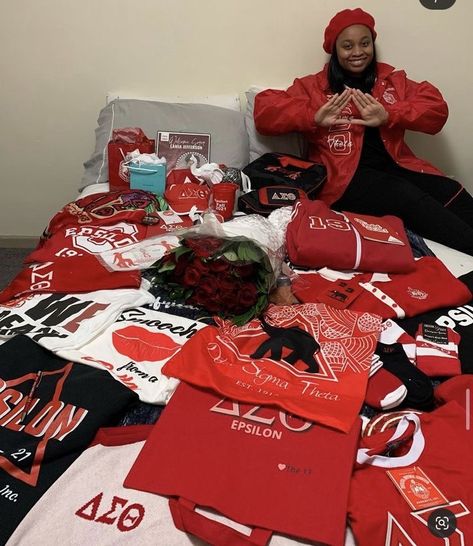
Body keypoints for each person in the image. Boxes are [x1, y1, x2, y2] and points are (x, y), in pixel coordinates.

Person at [254, 8, 473, 255]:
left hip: (397, 167)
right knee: (405, 195)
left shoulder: (391, 81)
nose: (357, 52)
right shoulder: (315, 87)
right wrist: (312, 116)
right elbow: (264, 111)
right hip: (344, 181)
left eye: (364, 43)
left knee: (448, 189)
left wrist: (390, 114)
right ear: (335, 50)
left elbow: (436, 111)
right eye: (347, 46)